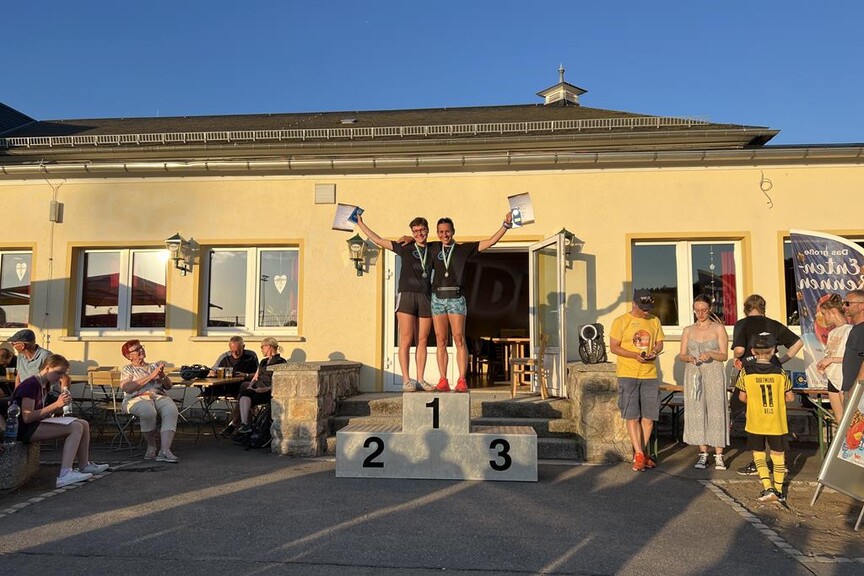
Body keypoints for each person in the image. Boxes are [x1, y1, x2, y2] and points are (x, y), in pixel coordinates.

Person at [427, 212, 513, 393]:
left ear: (453, 231)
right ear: (437, 233)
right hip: (438, 299)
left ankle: (461, 380)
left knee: (458, 338)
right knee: (441, 340)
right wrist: (406, 237)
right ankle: (443, 380)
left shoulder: (463, 249)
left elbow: (490, 242)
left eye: (447, 231)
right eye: (441, 232)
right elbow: (416, 243)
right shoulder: (433, 248)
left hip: (456, 298)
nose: (444, 234)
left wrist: (505, 226)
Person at [1, 354, 109, 488]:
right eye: (58, 372)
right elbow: (27, 416)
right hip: (22, 429)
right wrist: (56, 405)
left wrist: (59, 407)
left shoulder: (44, 384)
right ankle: (65, 473)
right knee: (75, 427)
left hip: (34, 424)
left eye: (63, 373)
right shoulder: (31, 385)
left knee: (83, 424)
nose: (61, 377)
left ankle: (84, 465)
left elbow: (41, 411)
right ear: (47, 368)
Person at [357, 214, 434, 392]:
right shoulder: (405, 247)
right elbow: (378, 240)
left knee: (422, 340)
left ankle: (421, 379)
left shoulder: (433, 248)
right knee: (406, 339)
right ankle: (406, 380)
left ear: (427, 230)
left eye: (422, 230)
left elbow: (450, 243)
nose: (419, 233)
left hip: (425, 296)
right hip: (406, 295)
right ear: (412, 232)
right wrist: (361, 223)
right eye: (415, 231)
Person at [730, 294, 803, 476]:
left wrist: (737, 357)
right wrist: (781, 360)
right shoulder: (773, 324)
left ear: (746, 309)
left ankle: (759, 463)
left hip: (752, 372)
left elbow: (739, 350)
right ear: (763, 308)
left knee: (754, 417)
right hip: (774, 370)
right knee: (775, 415)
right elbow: (798, 342)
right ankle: (781, 462)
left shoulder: (742, 324)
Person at [609, 289, 665, 471]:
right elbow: (614, 347)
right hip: (628, 374)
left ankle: (640, 454)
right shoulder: (621, 321)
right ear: (633, 303)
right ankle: (640, 454)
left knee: (649, 417)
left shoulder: (654, 321)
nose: (646, 311)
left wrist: (654, 351)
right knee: (632, 415)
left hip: (650, 374)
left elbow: (659, 342)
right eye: (643, 307)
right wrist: (634, 355)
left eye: (648, 307)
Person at [735, 334, 794, 502]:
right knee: (778, 454)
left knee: (759, 453)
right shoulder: (780, 373)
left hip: (755, 420)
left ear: (753, 351)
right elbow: (790, 397)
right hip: (776, 420)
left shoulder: (746, 372)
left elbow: (742, 397)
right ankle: (779, 490)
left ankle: (767, 487)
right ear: (773, 351)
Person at [677, 295, 729, 470]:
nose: (700, 313)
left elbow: (724, 355)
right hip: (694, 373)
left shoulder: (718, 329)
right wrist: (688, 358)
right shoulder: (688, 330)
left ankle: (719, 454)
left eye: (704, 310)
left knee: (716, 410)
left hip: (713, 372)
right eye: (697, 310)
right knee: (697, 410)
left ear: (710, 310)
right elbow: (681, 355)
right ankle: (703, 453)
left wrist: (711, 354)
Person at [119, 340, 180, 463]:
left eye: (141, 347)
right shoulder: (128, 369)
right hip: (136, 398)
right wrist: (151, 376)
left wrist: (162, 375)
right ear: (129, 356)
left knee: (171, 410)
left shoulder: (153, 366)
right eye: (137, 349)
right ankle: (151, 446)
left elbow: (168, 386)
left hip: (158, 396)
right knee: (148, 411)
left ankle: (165, 451)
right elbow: (128, 388)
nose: (141, 350)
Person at [233, 337, 287, 438]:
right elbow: (255, 377)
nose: (261, 350)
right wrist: (250, 386)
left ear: (269, 347)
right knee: (244, 394)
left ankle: (236, 424)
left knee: (246, 395)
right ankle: (245, 424)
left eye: (262, 347)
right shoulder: (263, 362)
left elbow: (281, 383)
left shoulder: (280, 362)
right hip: (257, 388)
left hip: (269, 391)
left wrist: (264, 389)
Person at [206, 336, 260, 437]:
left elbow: (258, 374)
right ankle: (241, 429)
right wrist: (213, 373)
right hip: (228, 387)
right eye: (232, 351)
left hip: (246, 387)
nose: (234, 353)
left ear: (243, 347)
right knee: (246, 398)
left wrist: (246, 375)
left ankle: (235, 425)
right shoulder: (224, 357)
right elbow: (212, 370)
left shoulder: (251, 356)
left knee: (245, 391)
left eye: (237, 351)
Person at [815, 294, 851, 422]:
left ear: (833, 312)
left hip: (844, 377)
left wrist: (831, 360)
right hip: (832, 378)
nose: (822, 317)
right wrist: (824, 365)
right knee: (839, 419)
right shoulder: (832, 333)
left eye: (824, 314)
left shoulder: (850, 330)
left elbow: (853, 358)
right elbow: (830, 354)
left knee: (849, 418)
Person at [841, 290, 864, 406]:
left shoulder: (862, 330)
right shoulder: (856, 329)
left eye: (848, 303)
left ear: (861, 306)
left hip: (860, 393)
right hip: (852, 389)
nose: (844, 307)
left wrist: (856, 389)